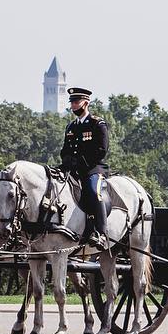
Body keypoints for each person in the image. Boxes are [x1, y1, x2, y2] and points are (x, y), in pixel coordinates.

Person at [59, 87, 110, 248]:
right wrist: (67, 162)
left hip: (93, 169)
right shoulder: (71, 127)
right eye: (72, 102)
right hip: (73, 170)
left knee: (94, 192)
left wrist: (81, 163)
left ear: (86, 103)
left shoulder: (97, 124)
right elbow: (65, 150)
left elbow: (101, 150)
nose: (73, 105)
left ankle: (101, 233)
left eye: (76, 102)